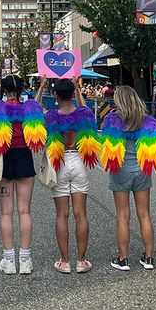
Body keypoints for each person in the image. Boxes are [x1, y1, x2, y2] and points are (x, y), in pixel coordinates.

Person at [38, 75, 100, 274]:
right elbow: (85, 109)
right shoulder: (83, 114)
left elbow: (35, 110)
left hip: (60, 162)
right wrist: (77, 87)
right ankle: (81, 261)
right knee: (81, 214)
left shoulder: (50, 116)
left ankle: (65, 261)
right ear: (72, 94)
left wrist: (41, 86)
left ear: (55, 95)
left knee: (61, 214)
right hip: (79, 161)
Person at [0, 74, 47, 274]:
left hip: (3, 159)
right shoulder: (29, 108)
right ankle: (25, 260)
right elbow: (36, 107)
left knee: (6, 212)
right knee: (24, 211)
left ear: (3, 89)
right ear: (22, 88)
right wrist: (42, 86)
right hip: (24, 158)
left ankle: (9, 260)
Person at [100, 85, 156, 272]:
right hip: (142, 170)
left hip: (120, 171)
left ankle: (123, 259)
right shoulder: (148, 121)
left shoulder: (111, 120)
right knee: (144, 214)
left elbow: (106, 144)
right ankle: (149, 258)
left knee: (122, 215)